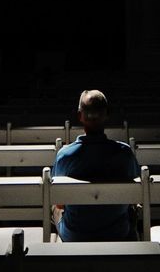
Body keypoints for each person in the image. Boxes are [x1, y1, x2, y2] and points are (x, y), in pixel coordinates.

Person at [52, 89, 139, 241]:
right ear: (106, 115)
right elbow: (134, 196)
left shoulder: (64, 156)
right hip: (116, 232)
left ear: (80, 116)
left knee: (54, 206)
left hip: (76, 234)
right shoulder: (124, 153)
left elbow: (59, 202)